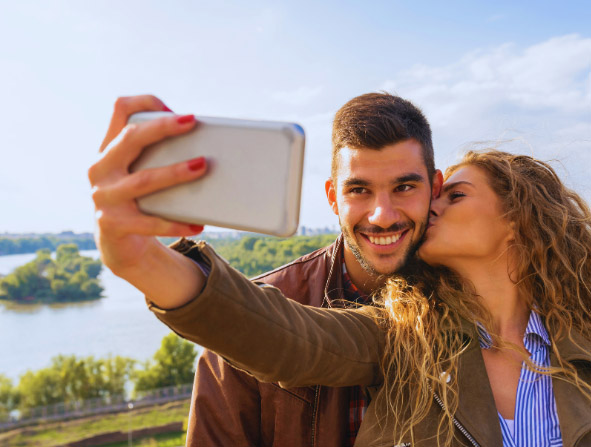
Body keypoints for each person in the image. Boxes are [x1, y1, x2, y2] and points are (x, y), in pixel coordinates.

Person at [144, 150, 591, 446]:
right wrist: (142, 259)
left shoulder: (580, 336)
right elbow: (286, 339)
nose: (427, 207)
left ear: (518, 220)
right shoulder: (401, 332)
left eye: (455, 196)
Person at [89, 92, 443, 446]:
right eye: (359, 190)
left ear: (435, 189)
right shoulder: (244, 322)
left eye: (405, 187)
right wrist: (141, 260)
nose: (382, 215)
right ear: (333, 198)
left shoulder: (472, 303)